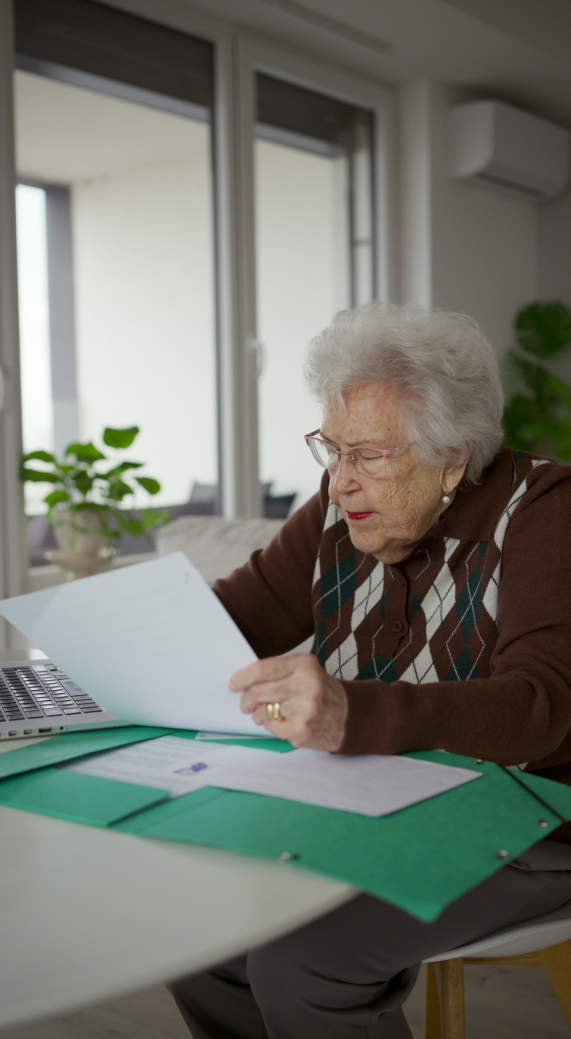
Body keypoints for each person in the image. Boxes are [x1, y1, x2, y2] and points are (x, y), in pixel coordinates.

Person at [170, 302, 571, 1039]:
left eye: (370, 455)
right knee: (196, 928)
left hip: (530, 819)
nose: (341, 480)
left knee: (303, 961)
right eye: (332, 448)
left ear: (453, 456)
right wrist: (122, 638)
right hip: (370, 802)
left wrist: (355, 712)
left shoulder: (545, 509)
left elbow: (539, 707)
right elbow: (229, 620)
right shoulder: (337, 508)